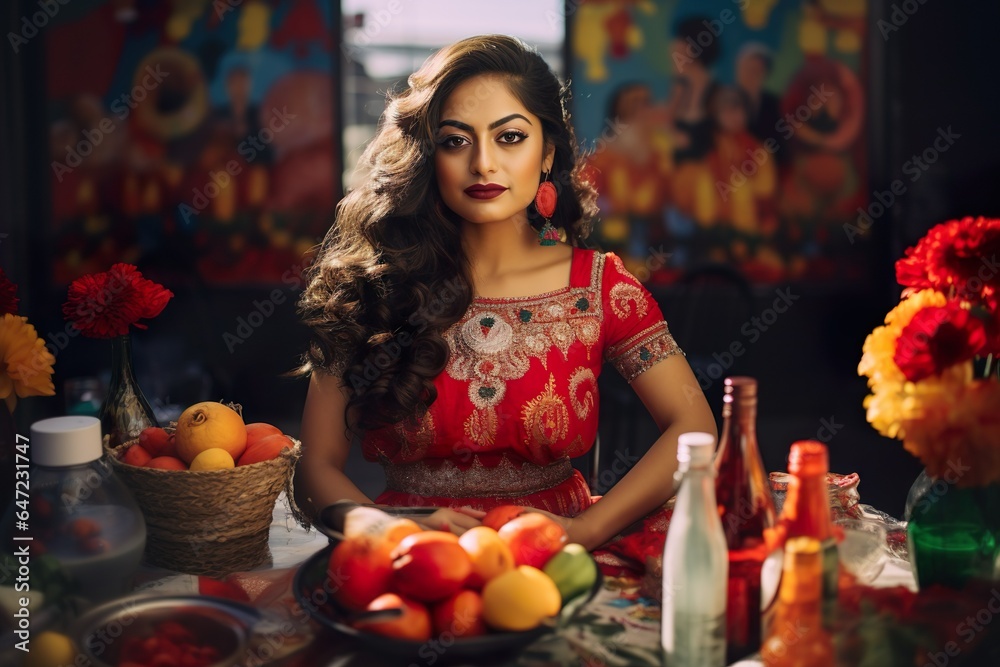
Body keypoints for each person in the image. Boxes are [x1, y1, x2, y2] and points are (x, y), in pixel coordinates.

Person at [293, 35, 716, 551]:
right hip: (411, 559)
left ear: (547, 155)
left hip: (557, 558)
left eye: (510, 137)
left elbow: (694, 425)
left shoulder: (599, 288)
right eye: (455, 140)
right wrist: (392, 532)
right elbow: (313, 467)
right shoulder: (374, 285)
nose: (484, 164)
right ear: (429, 156)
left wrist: (587, 529)